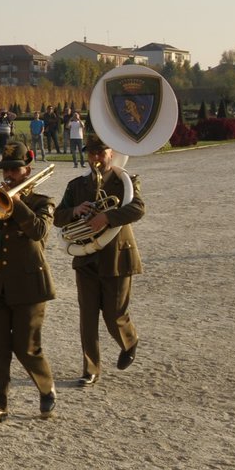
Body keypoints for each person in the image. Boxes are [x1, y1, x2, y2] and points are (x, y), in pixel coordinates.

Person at [0, 141, 57, 423]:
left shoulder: (42, 202)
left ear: (27, 170)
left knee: (27, 347)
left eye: (14, 170)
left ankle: (46, 387)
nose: (9, 176)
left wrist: (15, 205)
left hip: (30, 286)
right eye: (5, 170)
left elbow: (39, 231)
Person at [54, 136, 145, 385]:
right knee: (88, 315)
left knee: (115, 313)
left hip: (117, 255)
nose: (95, 157)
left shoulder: (125, 181)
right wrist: (74, 211)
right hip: (86, 258)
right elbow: (58, 217)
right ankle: (90, 368)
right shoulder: (76, 186)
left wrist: (106, 217)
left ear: (111, 152)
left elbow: (138, 208)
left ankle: (129, 341)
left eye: (100, 152)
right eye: (91, 153)